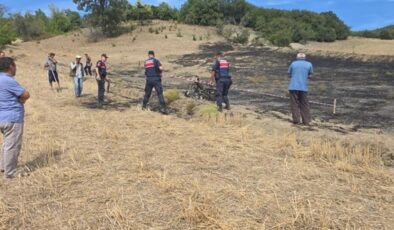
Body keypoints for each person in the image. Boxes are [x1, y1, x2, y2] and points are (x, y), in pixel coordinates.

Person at [0, 57, 30, 178]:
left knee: (6, 144)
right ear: (10, 66)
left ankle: (3, 166)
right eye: (15, 65)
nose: (16, 68)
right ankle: (11, 172)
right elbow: (26, 94)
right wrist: (21, 100)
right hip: (12, 117)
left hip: (2, 117)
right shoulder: (8, 80)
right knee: (12, 145)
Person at [288, 53, 313, 125]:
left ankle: (296, 120)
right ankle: (306, 121)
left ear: (297, 57)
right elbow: (310, 75)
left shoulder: (293, 64)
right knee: (304, 104)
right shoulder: (309, 64)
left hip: (293, 86)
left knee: (294, 103)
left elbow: (289, 74)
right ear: (305, 58)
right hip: (303, 87)